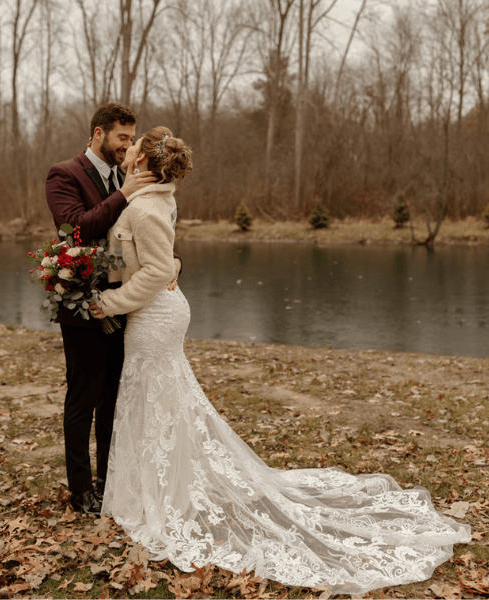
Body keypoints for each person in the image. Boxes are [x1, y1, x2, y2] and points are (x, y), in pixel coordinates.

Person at [89, 126, 471, 595]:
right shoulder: (152, 198)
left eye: (134, 150)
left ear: (144, 164)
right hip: (155, 315)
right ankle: (158, 488)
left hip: (154, 318)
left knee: (158, 399)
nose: (125, 153)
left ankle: (163, 496)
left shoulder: (146, 207)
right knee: (160, 400)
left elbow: (156, 270)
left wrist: (107, 304)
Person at [45, 103, 168, 515]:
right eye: (121, 137)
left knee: (113, 398)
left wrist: (173, 264)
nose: (127, 145)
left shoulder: (124, 175)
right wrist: (124, 194)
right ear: (98, 133)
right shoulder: (64, 174)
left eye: (131, 139)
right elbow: (74, 227)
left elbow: (145, 233)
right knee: (84, 398)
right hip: (81, 306)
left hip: (122, 304)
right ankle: (81, 493)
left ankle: (108, 481)